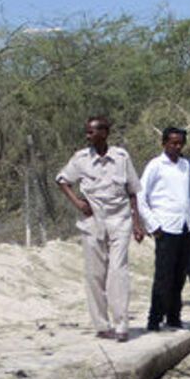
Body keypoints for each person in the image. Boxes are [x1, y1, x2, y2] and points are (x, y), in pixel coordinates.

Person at [56, 115, 145, 342]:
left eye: (92, 132)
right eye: (87, 132)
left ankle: (121, 324)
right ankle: (101, 324)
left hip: (120, 220)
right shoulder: (81, 159)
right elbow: (62, 180)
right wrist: (78, 203)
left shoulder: (121, 157)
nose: (88, 136)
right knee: (94, 274)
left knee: (118, 271)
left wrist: (137, 223)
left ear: (104, 133)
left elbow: (133, 190)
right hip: (93, 222)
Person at [137, 127, 190, 332]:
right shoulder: (155, 166)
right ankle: (154, 319)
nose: (177, 147)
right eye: (173, 143)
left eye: (180, 143)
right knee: (163, 276)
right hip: (165, 228)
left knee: (180, 275)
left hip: (186, 226)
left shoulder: (186, 166)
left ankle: (174, 317)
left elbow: (189, 195)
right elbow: (141, 197)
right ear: (164, 143)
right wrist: (153, 224)